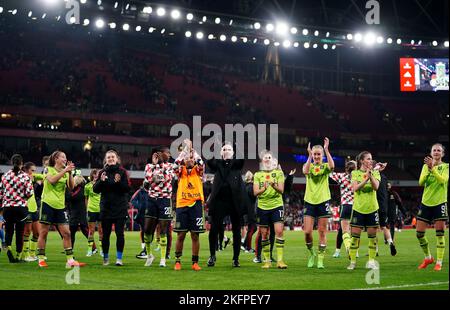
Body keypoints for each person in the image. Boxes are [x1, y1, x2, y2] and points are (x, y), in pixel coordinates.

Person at [37, 151, 85, 268]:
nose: (65, 159)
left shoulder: (65, 172)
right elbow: (52, 180)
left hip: (60, 206)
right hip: (47, 204)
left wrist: (69, 173)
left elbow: (71, 186)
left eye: (66, 157)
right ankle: (41, 259)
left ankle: (70, 260)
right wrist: (65, 170)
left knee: (67, 233)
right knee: (43, 232)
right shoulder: (48, 169)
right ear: (56, 158)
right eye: (63, 157)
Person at [207, 142, 246, 267]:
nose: (227, 151)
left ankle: (236, 259)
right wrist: (217, 149)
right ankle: (212, 256)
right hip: (219, 202)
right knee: (213, 229)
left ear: (233, 152)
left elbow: (241, 159)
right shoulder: (217, 164)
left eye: (229, 149)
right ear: (221, 152)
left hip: (235, 201)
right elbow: (209, 162)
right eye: (224, 149)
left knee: (236, 231)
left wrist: (235, 146)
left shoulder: (236, 165)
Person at [93, 150, 131, 266]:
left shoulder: (123, 172)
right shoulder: (102, 172)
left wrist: (118, 182)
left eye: (112, 157)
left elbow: (127, 189)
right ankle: (106, 258)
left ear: (117, 158)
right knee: (106, 235)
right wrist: (101, 181)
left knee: (120, 234)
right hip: (106, 208)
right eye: (108, 157)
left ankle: (119, 259)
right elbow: (95, 189)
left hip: (120, 208)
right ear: (106, 159)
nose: (110, 159)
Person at [302, 138, 335, 269]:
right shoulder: (309, 166)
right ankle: (311, 254)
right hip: (309, 201)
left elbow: (332, 166)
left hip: (323, 201)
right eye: (314, 154)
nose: (316, 156)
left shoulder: (325, 167)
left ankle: (320, 259)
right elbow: (305, 171)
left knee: (322, 232)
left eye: (318, 154)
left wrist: (326, 149)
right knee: (307, 232)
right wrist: (309, 155)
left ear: (322, 155)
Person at [173, 139, 205, 271]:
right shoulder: (180, 171)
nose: (189, 159)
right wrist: (185, 151)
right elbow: (175, 164)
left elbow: (201, 162)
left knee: (195, 235)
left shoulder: (199, 170)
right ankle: (177, 261)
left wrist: (192, 150)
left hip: (196, 204)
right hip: (182, 204)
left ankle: (195, 262)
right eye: (187, 158)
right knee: (181, 235)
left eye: (191, 157)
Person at [416, 143, 448, 271]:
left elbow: (442, 181)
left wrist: (433, 168)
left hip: (440, 203)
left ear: (442, 153)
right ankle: (428, 257)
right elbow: (421, 182)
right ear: (431, 152)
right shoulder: (425, 166)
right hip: (426, 203)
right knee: (419, 234)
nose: (436, 152)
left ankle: (439, 262)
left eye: (438, 150)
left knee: (439, 233)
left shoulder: (446, 166)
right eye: (434, 150)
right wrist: (429, 169)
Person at [347, 151, 381, 270]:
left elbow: (376, 187)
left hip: (372, 208)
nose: (370, 161)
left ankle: (371, 261)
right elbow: (355, 188)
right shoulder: (355, 173)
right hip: (358, 209)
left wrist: (370, 175)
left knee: (372, 237)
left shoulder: (376, 172)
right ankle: (352, 262)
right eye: (368, 159)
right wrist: (366, 178)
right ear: (362, 161)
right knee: (355, 237)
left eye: (371, 159)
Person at [254, 151, 287, 269]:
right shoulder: (257, 175)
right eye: (265, 158)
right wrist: (265, 187)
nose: (267, 159)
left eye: (269, 157)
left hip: (276, 205)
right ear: (262, 161)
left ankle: (280, 261)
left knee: (279, 231)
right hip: (262, 206)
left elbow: (282, 190)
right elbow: (255, 192)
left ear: (272, 160)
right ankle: (267, 261)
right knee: (264, 234)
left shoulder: (278, 173)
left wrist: (273, 185)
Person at [143, 146, 176, 268]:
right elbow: (148, 182)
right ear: (161, 154)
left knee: (163, 230)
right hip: (152, 200)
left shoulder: (170, 166)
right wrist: (156, 165)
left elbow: (167, 178)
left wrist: (159, 166)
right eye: (167, 153)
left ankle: (163, 259)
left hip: (165, 200)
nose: (169, 155)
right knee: (147, 230)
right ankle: (149, 254)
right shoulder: (149, 166)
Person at [0, 154, 34, 263]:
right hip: (21, 208)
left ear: (11, 162)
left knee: (9, 231)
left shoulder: (5, 176)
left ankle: (9, 248)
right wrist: (21, 197)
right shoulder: (25, 177)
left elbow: (0, 194)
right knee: (20, 232)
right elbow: (29, 193)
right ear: (22, 164)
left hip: (7, 207)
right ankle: (18, 256)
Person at [329, 161, 357, 258]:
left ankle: (347, 248)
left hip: (345, 206)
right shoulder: (359, 176)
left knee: (343, 231)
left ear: (346, 169)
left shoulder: (342, 176)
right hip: (356, 207)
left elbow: (329, 174)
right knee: (355, 231)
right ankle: (355, 251)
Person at [22, 162, 43, 262]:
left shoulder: (33, 178)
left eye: (35, 170)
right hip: (26, 207)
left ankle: (32, 254)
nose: (34, 173)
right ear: (26, 170)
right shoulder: (21, 179)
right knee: (27, 232)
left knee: (37, 233)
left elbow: (43, 177)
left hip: (34, 207)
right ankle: (25, 255)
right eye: (32, 170)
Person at [375, 163, 397, 256]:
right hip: (384, 205)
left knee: (374, 228)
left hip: (375, 205)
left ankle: (375, 250)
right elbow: (387, 187)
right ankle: (391, 243)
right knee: (384, 226)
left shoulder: (373, 176)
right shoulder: (384, 177)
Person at [68, 175, 90, 249]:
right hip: (78, 213)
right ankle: (93, 248)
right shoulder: (80, 189)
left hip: (78, 214)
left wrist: (67, 191)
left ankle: (71, 248)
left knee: (73, 232)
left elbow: (71, 197)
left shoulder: (80, 189)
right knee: (83, 232)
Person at [130, 180, 150, 259]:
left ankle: (146, 249)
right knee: (143, 230)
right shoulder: (140, 191)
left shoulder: (153, 191)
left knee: (148, 231)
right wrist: (139, 207)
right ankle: (144, 246)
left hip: (150, 214)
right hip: (142, 214)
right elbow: (132, 200)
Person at [85, 169, 101, 257]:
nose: (95, 176)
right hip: (91, 210)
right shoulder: (87, 186)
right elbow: (86, 198)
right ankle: (89, 250)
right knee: (91, 231)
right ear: (92, 175)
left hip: (101, 210)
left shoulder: (102, 185)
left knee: (101, 231)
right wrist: (87, 208)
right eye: (94, 174)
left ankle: (102, 250)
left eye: (97, 174)